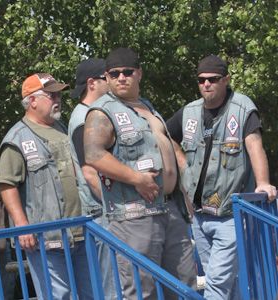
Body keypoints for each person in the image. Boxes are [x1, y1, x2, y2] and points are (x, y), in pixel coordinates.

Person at [84, 47, 197, 299]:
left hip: (170, 209)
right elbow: (93, 155)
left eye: (127, 72)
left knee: (184, 286)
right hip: (135, 215)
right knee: (142, 290)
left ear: (139, 74)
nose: (121, 78)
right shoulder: (103, 111)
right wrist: (136, 178)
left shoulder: (148, 108)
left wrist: (184, 190)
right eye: (114, 74)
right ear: (107, 77)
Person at [166, 54, 277, 299]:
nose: (206, 84)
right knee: (227, 283)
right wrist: (183, 166)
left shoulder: (242, 108)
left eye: (213, 79)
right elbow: (165, 134)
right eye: (201, 80)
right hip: (198, 215)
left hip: (229, 214)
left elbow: (255, 147)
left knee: (216, 282)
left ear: (225, 79)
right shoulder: (189, 112)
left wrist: (263, 183)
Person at [0, 73, 92, 299]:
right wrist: (23, 227)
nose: (58, 98)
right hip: (46, 238)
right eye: (51, 95)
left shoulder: (62, 128)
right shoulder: (17, 138)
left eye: (59, 93)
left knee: (91, 294)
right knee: (59, 296)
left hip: (80, 232)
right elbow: (7, 185)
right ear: (32, 101)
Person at [68, 58, 116, 299]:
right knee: (111, 289)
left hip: (103, 214)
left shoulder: (92, 115)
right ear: (92, 83)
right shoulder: (83, 120)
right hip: (100, 215)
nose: (113, 82)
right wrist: (113, 205)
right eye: (107, 77)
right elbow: (88, 170)